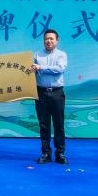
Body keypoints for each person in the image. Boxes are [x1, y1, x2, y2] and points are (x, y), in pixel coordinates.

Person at [32, 28, 68, 164]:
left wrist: (41, 68)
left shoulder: (61, 55)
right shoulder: (37, 55)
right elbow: (31, 72)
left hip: (57, 92)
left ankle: (60, 154)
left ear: (57, 41)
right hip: (41, 92)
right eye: (46, 39)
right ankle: (46, 153)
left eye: (51, 39)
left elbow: (60, 69)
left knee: (59, 124)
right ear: (43, 41)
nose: (48, 41)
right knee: (44, 125)